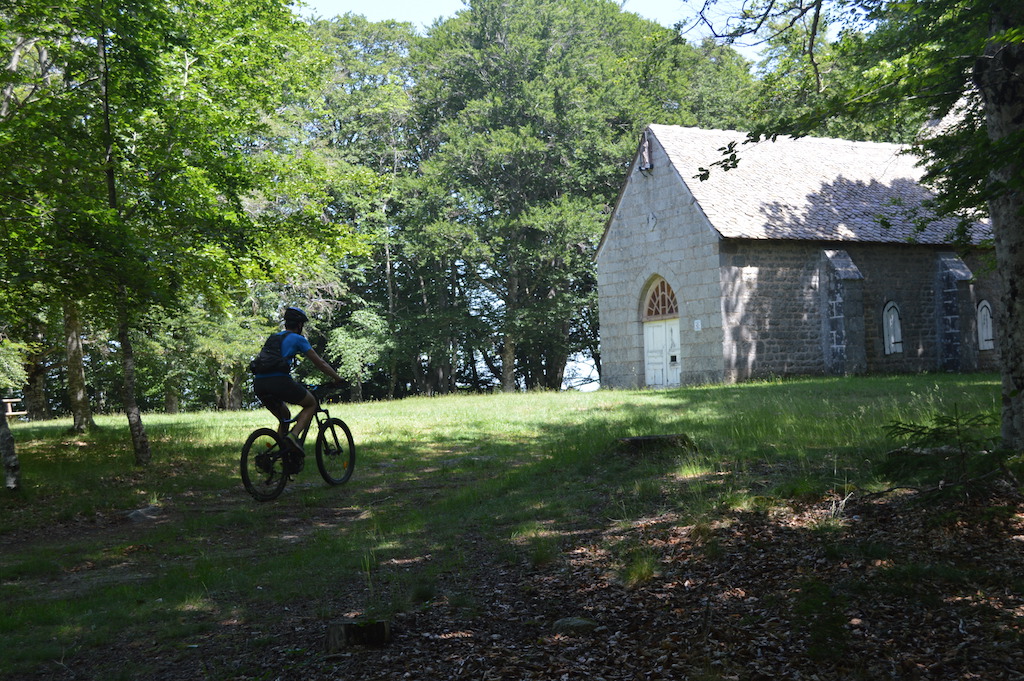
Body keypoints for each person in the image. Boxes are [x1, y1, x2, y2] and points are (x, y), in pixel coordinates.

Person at [251, 307, 343, 458]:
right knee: (311, 403)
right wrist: (337, 378)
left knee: (284, 416)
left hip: (259, 384)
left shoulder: (273, 338)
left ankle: (280, 455)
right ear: (300, 325)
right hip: (279, 381)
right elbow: (320, 364)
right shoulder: (298, 339)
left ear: (286, 323)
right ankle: (293, 436)